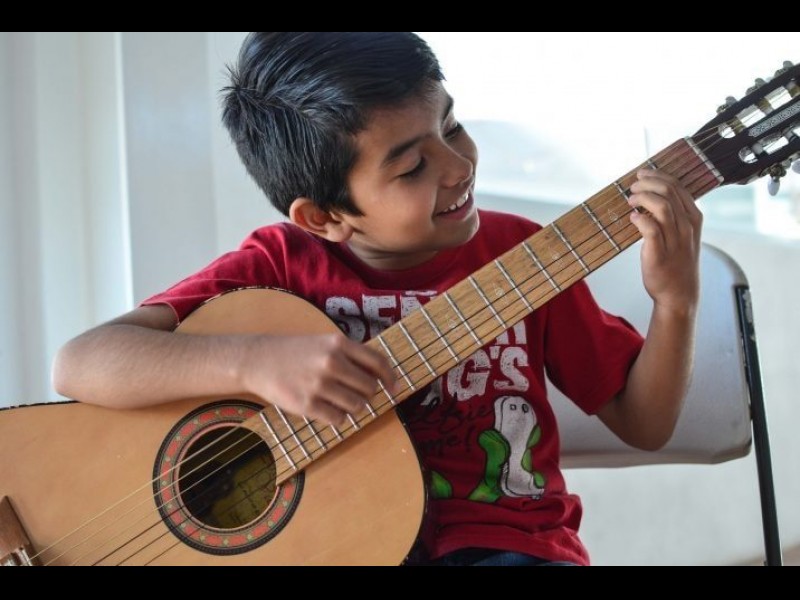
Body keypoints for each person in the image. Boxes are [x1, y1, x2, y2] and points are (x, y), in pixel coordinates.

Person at [52, 32, 702, 566]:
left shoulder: (526, 257)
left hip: (509, 543)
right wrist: (252, 362)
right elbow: (80, 363)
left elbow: (643, 424)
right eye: (412, 167)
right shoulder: (276, 267)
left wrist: (675, 302)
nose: (458, 167)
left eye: (453, 126)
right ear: (325, 217)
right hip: (334, 545)